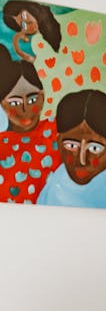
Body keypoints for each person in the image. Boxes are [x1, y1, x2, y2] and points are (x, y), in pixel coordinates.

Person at [37, 89, 106, 209]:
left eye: (94, 148)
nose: (82, 160)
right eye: (71, 146)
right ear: (59, 145)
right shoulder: (55, 186)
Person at [0, 45, 60, 204]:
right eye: (14, 102)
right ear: (2, 104)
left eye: (32, 99)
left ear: (43, 97)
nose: (25, 109)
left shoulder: (58, 130)